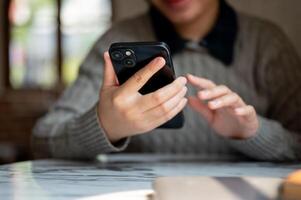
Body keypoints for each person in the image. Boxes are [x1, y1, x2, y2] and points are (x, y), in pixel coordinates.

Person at [33, 0, 301, 161]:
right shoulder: (114, 41)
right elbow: (43, 140)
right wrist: (106, 125)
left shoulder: (267, 43)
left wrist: (252, 133)